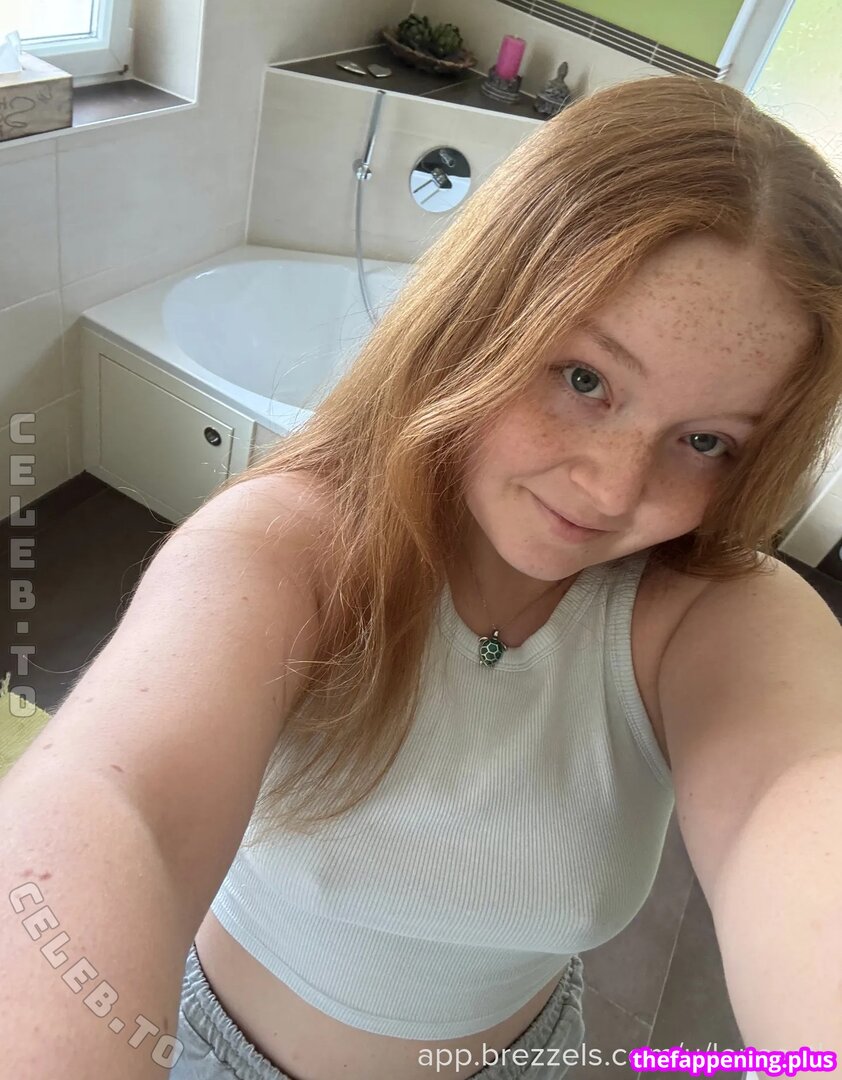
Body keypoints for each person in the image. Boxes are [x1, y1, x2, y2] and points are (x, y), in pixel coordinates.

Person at [3, 72, 842, 1080]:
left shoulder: (715, 621)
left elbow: (802, 802)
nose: (615, 489)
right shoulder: (289, 546)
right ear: (479, 322)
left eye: (705, 440)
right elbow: (114, 802)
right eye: (584, 379)